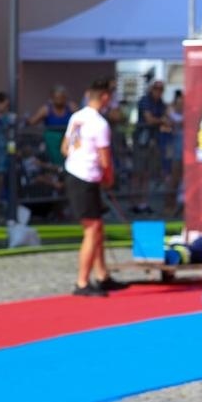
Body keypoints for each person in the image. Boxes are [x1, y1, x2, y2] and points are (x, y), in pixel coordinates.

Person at [62, 79, 125, 297]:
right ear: (105, 97)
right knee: (92, 228)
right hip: (85, 177)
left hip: (76, 173)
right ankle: (82, 282)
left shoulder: (77, 117)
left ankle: (102, 275)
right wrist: (108, 179)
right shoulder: (100, 124)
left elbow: (65, 147)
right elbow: (106, 160)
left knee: (98, 227)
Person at [132, 79, 172, 215]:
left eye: (161, 90)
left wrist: (163, 121)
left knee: (147, 174)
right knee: (138, 173)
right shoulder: (145, 100)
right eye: (156, 89)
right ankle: (134, 202)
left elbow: (167, 117)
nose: (158, 92)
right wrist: (162, 121)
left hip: (153, 142)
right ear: (151, 89)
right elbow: (149, 119)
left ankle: (143, 203)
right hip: (141, 141)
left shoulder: (161, 103)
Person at [30, 85, 74, 167]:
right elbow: (32, 122)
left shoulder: (71, 107)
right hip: (52, 139)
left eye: (61, 97)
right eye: (56, 98)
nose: (59, 100)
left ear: (65, 98)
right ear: (52, 98)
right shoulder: (46, 109)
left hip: (67, 137)